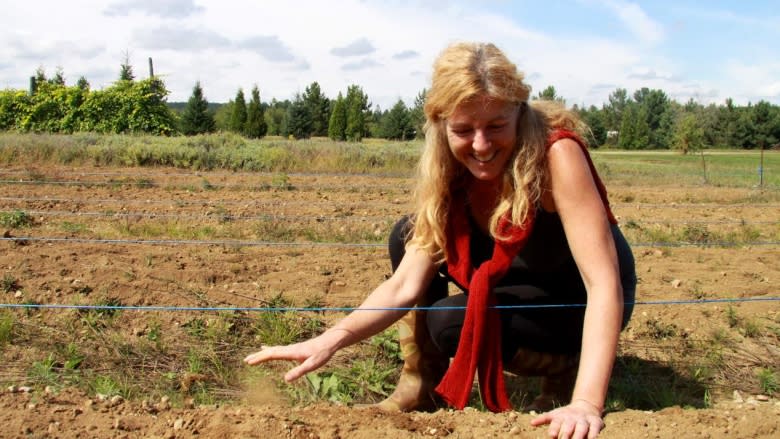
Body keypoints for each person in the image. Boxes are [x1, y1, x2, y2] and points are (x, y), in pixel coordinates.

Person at [245, 41, 635, 439]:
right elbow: (403, 285)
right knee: (408, 233)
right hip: (516, 281)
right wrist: (332, 339)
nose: (481, 146)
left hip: (572, 294)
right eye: (463, 130)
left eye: (496, 126)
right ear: (440, 125)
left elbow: (603, 284)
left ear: (519, 112)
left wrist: (587, 403)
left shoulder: (556, 155)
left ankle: (566, 367)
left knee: (451, 320)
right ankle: (421, 382)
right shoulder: (448, 169)